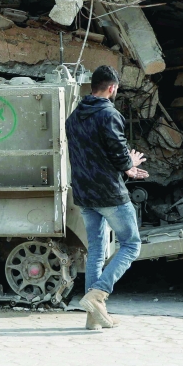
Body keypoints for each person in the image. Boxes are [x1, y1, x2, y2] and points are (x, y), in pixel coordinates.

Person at [65, 65, 149, 331]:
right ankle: (98, 294)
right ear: (112, 88)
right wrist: (130, 164)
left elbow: (93, 153)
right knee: (131, 244)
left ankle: (94, 318)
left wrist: (126, 165)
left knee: (97, 251)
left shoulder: (74, 116)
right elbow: (116, 149)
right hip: (109, 193)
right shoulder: (108, 114)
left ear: (93, 86)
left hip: (84, 193)